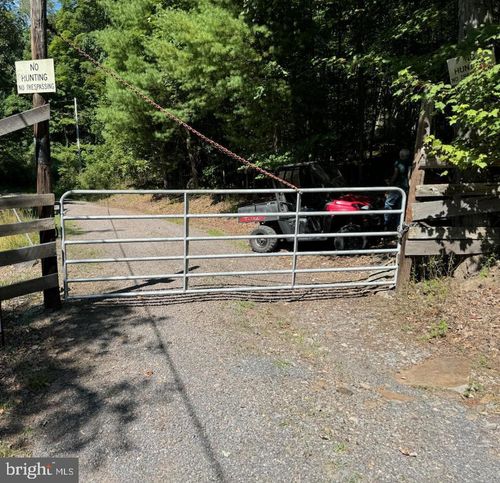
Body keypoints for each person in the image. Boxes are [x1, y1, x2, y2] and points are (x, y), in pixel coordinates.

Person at [384, 148, 411, 230]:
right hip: (405, 187)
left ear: (401, 155)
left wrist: (390, 183)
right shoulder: (410, 163)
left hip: (397, 187)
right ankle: (398, 227)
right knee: (401, 207)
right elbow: (409, 176)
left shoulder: (398, 162)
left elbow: (395, 175)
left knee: (388, 204)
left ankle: (385, 223)